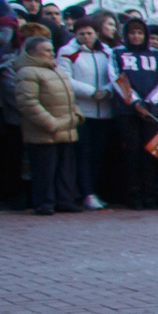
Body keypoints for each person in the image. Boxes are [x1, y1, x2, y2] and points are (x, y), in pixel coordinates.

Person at [10, 32, 83, 215]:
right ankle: (45, 203)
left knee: (65, 169)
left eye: (52, 50)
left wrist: (76, 115)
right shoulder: (27, 72)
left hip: (65, 128)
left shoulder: (56, 70)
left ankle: (64, 200)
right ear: (33, 53)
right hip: (44, 132)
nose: (51, 53)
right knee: (44, 170)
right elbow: (28, 103)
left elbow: (69, 97)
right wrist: (51, 123)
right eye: (47, 51)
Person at [56, 18, 117, 211]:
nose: (86, 37)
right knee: (83, 153)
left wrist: (108, 90)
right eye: (81, 33)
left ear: (96, 34)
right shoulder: (67, 52)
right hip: (83, 111)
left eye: (89, 33)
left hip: (105, 111)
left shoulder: (108, 52)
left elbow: (116, 75)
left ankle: (96, 190)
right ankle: (85, 192)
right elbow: (66, 78)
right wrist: (91, 91)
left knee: (99, 154)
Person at [110, 16, 158, 209]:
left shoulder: (157, 55)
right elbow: (117, 77)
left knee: (152, 153)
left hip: (154, 111)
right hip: (127, 112)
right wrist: (134, 101)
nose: (136, 36)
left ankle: (151, 193)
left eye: (139, 33)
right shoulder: (117, 53)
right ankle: (134, 194)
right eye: (132, 33)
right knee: (132, 153)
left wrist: (150, 102)